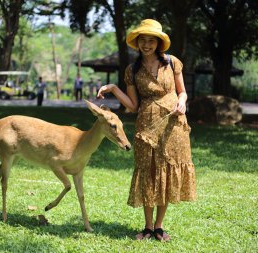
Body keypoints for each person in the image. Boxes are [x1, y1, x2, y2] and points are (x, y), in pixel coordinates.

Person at [97, 19, 196, 242]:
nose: (147, 44)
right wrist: (113, 88)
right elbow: (132, 106)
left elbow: (182, 92)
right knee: (148, 172)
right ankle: (148, 226)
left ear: (159, 43)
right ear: (138, 43)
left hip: (173, 124)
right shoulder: (133, 70)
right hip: (146, 125)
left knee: (167, 171)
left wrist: (182, 102)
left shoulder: (172, 63)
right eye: (143, 40)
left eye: (151, 40)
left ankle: (159, 227)